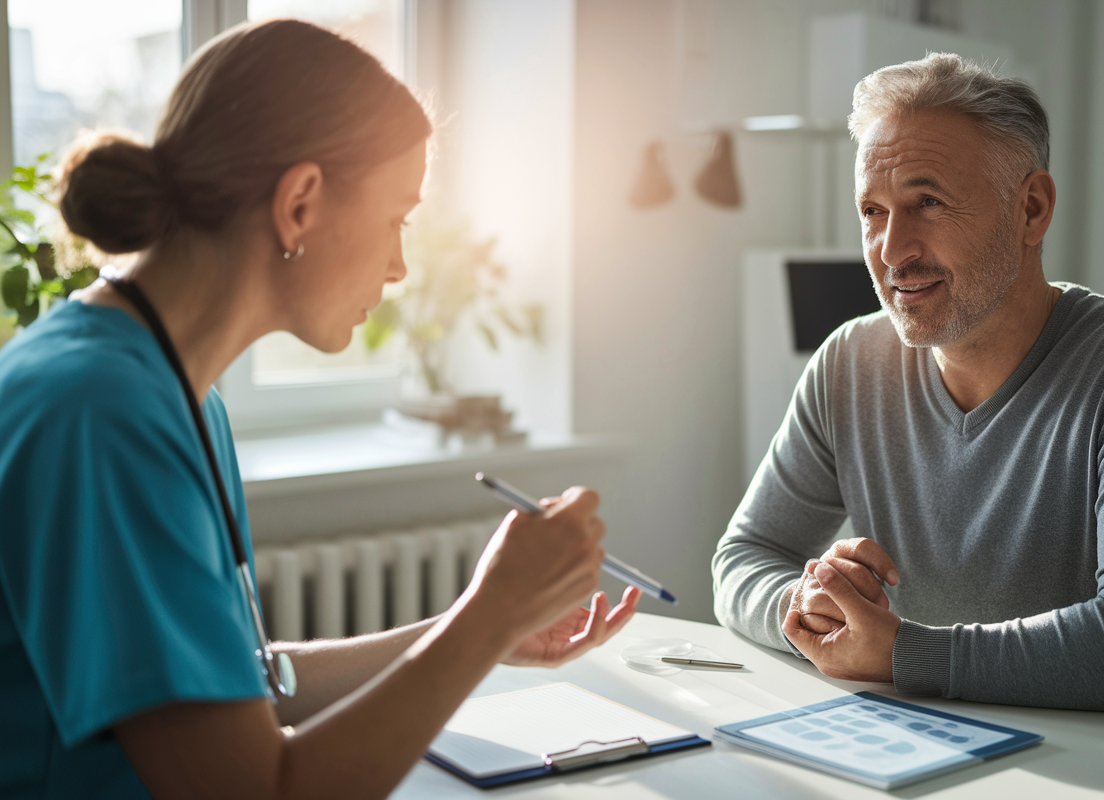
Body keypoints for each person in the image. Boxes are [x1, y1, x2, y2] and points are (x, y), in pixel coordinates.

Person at [0, 19, 639, 799]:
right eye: (397, 218)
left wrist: (479, 627)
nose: (403, 266)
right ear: (300, 203)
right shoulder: (98, 414)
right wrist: (485, 621)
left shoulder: (178, 394)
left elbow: (249, 685)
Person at [712, 53, 1104, 723]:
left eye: (927, 202)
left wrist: (902, 654)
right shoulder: (847, 363)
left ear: (1031, 209)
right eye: (873, 211)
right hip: (919, 736)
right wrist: (804, 607)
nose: (893, 251)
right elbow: (743, 558)